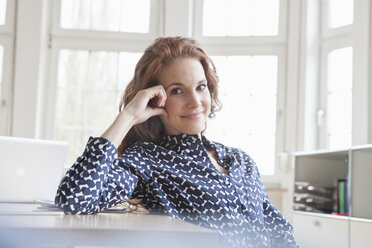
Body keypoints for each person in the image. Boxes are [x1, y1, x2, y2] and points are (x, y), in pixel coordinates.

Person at [55, 37, 298, 248]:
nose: (195, 102)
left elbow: (281, 234)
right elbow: (75, 199)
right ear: (155, 99)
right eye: (177, 91)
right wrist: (128, 117)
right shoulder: (147, 159)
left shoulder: (241, 161)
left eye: (201, 87)